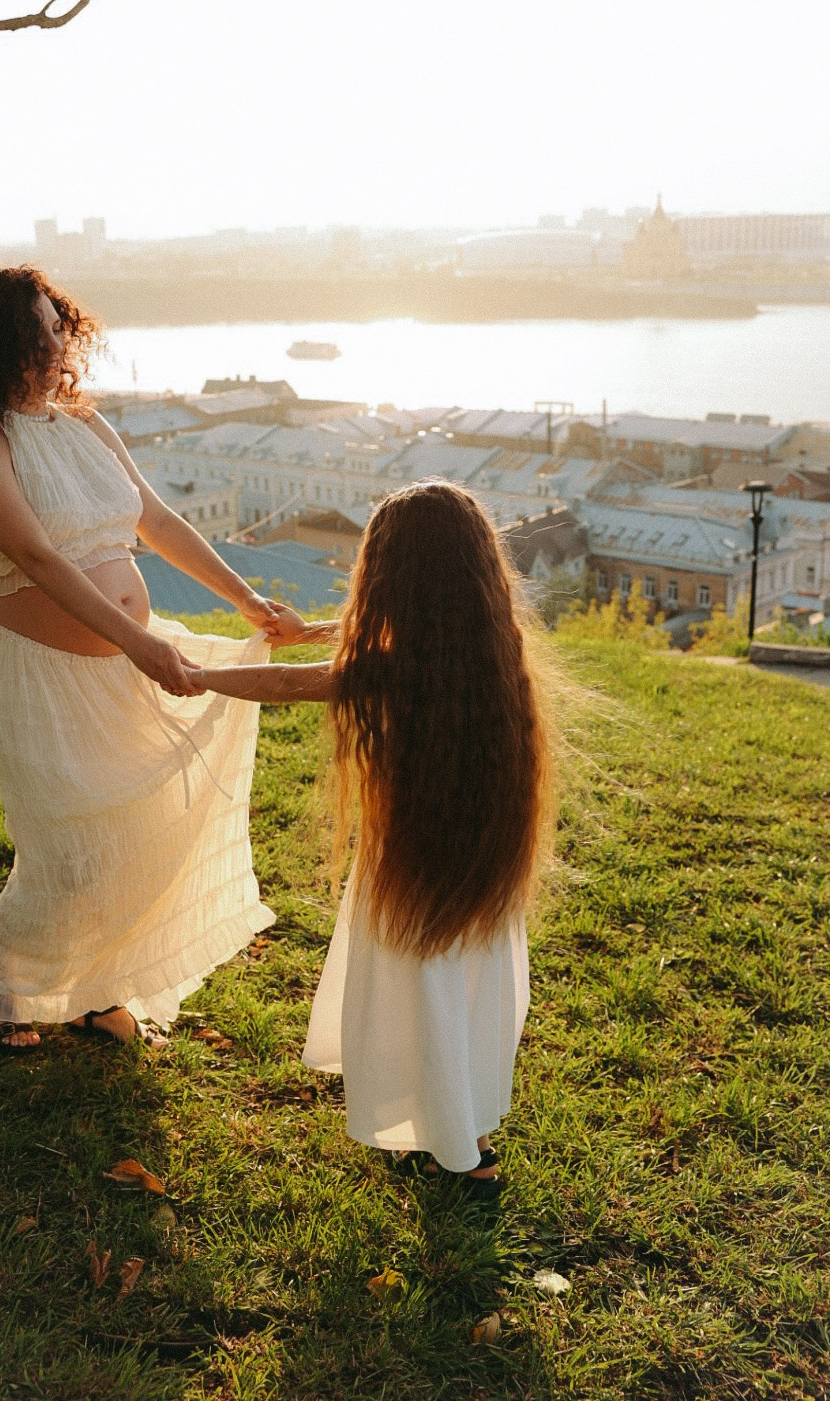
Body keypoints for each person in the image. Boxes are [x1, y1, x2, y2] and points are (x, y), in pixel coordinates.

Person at [0, 266, 303, 1050]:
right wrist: (141, 642)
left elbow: (156, 521)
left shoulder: (84, 425)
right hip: (47, 671)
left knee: (134, 832)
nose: (57, 343)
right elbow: (35, 556)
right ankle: (6, 993)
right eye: (39, 331)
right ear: (1, 344)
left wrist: (248, 601)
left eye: (60, 326)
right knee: (66, 845)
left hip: (123, 663)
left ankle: (96, 992)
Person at [185, 481, 557, 1187]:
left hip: (413, 860)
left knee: (426, 989)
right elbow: (390, 634)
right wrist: (315, 629)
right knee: (465, 989)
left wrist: (192, 673)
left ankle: (458, 1148)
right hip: (479, 857)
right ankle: (464, 1126)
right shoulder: (491, 646)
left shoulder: (389, 668)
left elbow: (295, 685)